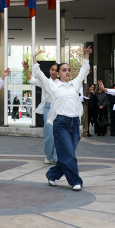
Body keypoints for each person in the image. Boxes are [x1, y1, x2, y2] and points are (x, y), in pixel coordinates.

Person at [32, 47, 91, 191]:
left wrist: (86, 55)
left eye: (69, 69)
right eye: (64, 70)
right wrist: (34, 57)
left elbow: (84, 70)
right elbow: (39, 75)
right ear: (58, 73)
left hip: (74, 123)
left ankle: (52, 174)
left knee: (67, 154)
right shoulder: (52, 85)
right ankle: (75, 181)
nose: (68, 72)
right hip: (61, 123)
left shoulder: (75, 84)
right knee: (69, 154)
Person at [24, 61, 60, 164]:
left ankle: (57, 158)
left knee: (59, 135)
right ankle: (48, 156)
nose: (53, 72)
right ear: (49, 70)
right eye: (52, 69)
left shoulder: (62, 83)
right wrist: (27, 68)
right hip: (48, 109)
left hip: (59, 109)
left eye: (56, 70)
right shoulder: (44, 81)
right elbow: (31, 80)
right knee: (49, 135)